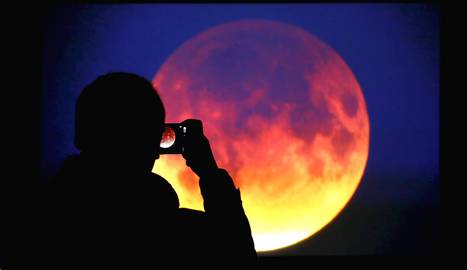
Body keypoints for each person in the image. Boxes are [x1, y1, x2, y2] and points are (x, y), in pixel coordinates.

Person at [40, 72, 256, 267]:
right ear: (152, 147)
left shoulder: (44, 217)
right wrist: (209, 171)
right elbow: (239, 255)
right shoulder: (172, 235)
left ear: (80, 135)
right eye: (156, 136)